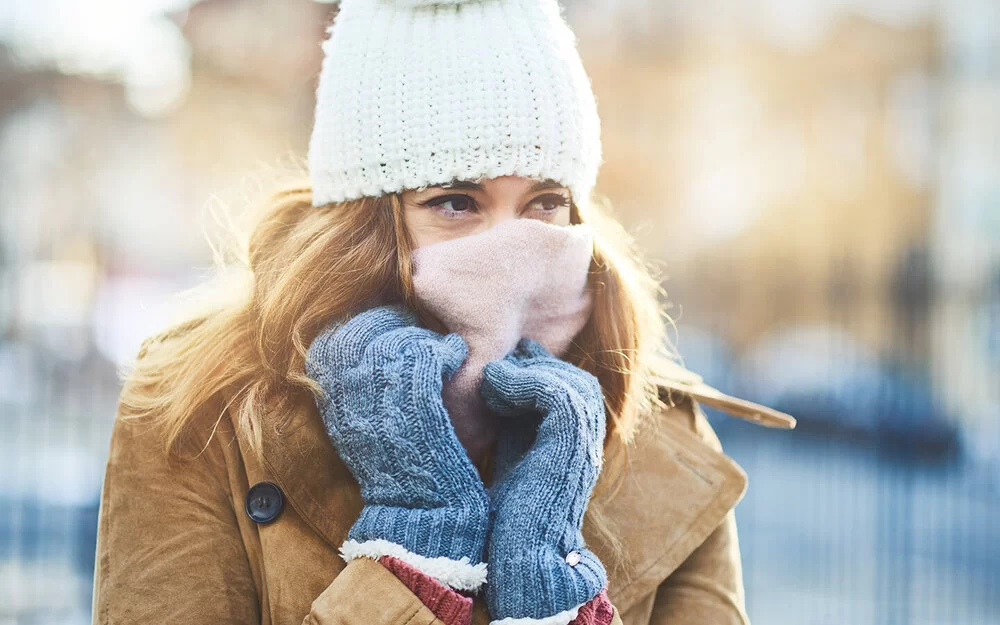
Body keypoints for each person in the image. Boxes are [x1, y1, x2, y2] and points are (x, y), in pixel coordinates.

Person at [91, 1, 796, 624]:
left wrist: (552, 598)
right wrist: (412, 562)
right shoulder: (200, 411)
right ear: (363, 222)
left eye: (544, 201)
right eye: (456, 202)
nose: (511, 249)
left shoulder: (665, 442)